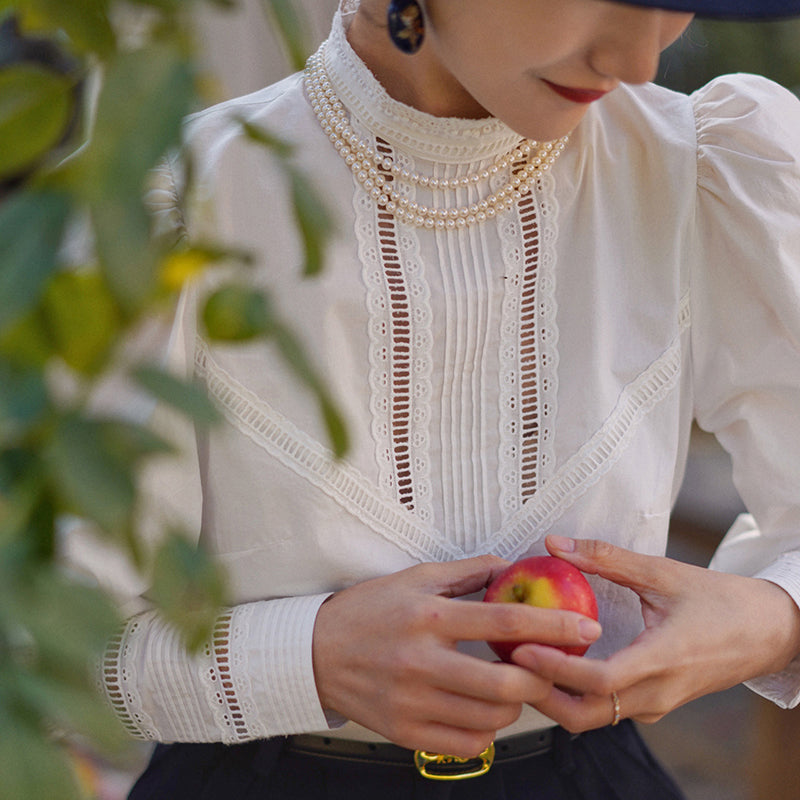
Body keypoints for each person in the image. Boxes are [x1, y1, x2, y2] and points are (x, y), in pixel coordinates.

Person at [72, 0, 800, 797]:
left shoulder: (706, 170)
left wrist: (770, 622)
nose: (638, 62)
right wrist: (299, 659)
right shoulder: (173, 211)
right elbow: (40, 647)